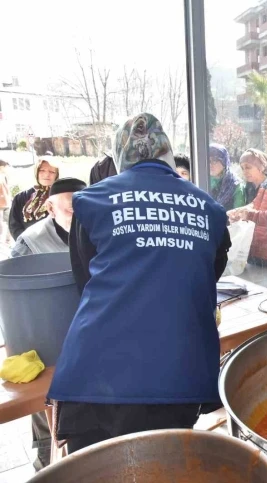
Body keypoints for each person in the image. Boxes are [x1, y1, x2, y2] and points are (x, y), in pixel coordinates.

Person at [47, 113, 231, 453]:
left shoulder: (91, 202)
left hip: (98, 376)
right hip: (178, 375)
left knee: (95, 473)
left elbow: (85, 279)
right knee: (165, 467)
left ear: (120, 157)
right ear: (168, 155)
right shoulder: (210, 210)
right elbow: (205, 275)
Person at [8, 177, 86, 470]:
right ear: (51, 209)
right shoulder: (30, 242)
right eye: (69, 211)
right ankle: (46, 465)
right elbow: (13, 295)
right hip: (46, 344)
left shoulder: (99, 232)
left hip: (86, 336)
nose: (78, 217)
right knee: (46, 413)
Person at [11, 178, 86, 258]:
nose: (82, 216)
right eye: (72, 209)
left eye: (86, 209)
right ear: (50, 208)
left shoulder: (96, 232)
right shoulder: (29, 243)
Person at [227, 149, 267, 265]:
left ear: (261, 166)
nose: (244, 171)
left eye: (248, 167)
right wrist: (238, 212)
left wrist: (247, 214)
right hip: (254, 247)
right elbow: (253, 205)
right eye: (242, 168)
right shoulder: (248, 186)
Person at [8, 157, 60, 240]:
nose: (47, 174)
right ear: (36, 173)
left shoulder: (60, 196)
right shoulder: (21, 197)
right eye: (42, 170)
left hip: (56, 245)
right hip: (28, 246)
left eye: (52, 172)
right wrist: (26, 244)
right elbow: (14, 225)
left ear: (56, 175)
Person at [209, 143, 245, 210]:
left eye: (215, 161)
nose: (210, 165)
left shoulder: (235, 184)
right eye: (207, 161)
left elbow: (238, 212)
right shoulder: (201, 179)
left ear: (224, 162)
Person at [0, 159, 10, 244]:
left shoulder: (4, 176)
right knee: (1, 224)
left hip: (6, 203)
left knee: (10, 221)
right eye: (5, 166)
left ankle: (7, 241)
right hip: (2, 204)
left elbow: (6, 189)